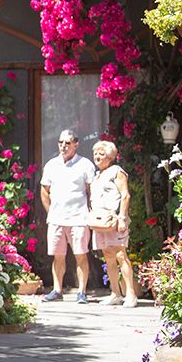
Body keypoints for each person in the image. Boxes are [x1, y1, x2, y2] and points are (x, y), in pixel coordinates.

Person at [40, 129, 96, 304]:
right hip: (57, 219)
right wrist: (51, 212)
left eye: (67, 143)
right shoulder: (51, 165)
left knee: (80, 255)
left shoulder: (85, 165)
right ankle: (57, 290)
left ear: (76, 144)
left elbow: (90, 191)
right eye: (61, 142)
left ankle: (82, 292)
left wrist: (90, 212)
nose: (63, 146)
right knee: (58, 256)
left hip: (78, 218)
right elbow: (44, 190)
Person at [90, 140, 137, 307]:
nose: (97, 156)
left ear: (110, 157)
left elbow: (125, 195)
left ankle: (130, 294)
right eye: (96, 153)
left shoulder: (117, 171)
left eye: (101, 154)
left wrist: (122, 217)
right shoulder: (97, 175)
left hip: (115, 219)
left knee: (120, 255)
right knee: (108, 257)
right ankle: (115, 293)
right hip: (100, 222)